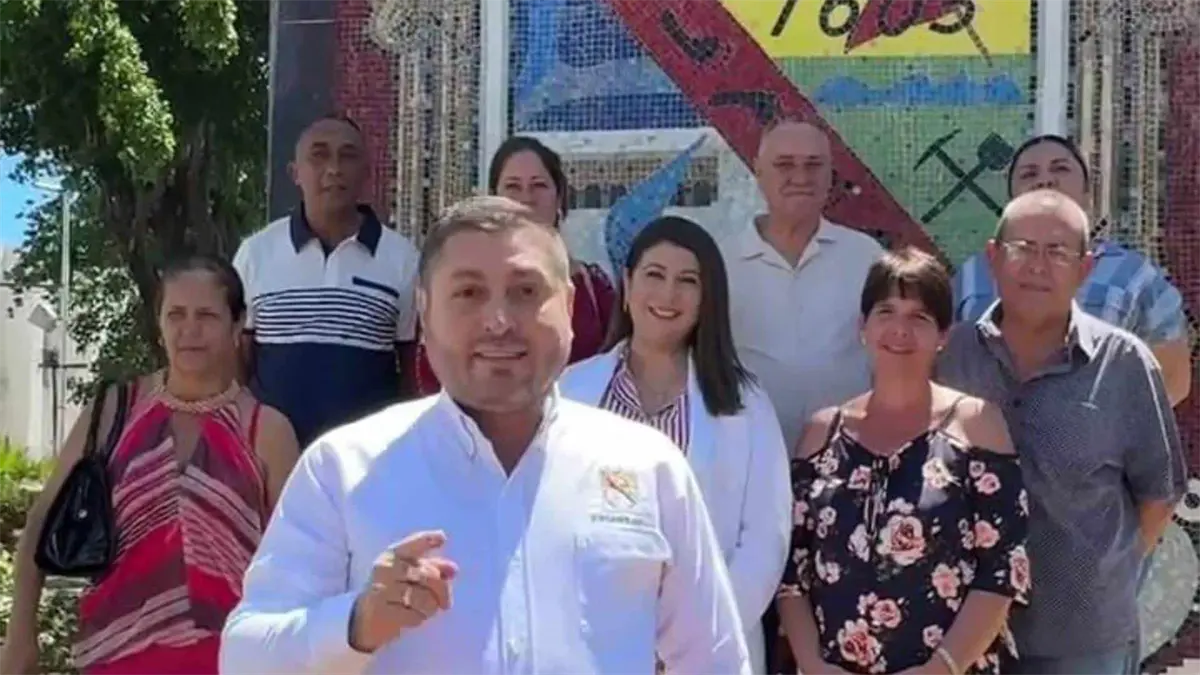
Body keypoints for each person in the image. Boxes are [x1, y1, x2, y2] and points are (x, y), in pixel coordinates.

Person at [219, 196, 751, 675]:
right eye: (469, 293)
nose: (499, 320)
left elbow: (716, 660)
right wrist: (354, 623)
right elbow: (244, 656)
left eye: (526, 292)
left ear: (567, 308)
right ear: (425, 312)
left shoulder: (648, 467)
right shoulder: (344, 467)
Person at [0, 254, 301, 675]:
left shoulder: (266, 430)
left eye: (206, 315)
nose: (189, 329)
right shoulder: (113, 411)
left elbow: (299, 559)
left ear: (237, 325)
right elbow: (41, 520)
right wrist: (20, 634)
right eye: (176, 314)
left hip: (235, 659)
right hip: (116, 654)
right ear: (159, 324)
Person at [938, 191, 1187, 675]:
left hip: (1084, 641)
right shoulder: (952, 355)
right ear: (993, 258)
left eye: (1057, 252)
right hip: (959, 632)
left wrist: (1102, 574)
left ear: (1085, 268)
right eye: (1023, 248)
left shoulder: (1124, 363)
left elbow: (1158, 495)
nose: (1038, 266)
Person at [777, 247, 1029, 675]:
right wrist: (813, 665)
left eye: (919, 317)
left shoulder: (976, 425)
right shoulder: (821, 433)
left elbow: (1003, 570)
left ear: (944, 334)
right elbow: (790, 573)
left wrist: (940, 668)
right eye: (886, 312)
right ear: (862, 327)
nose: (900, 330)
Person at [559, 215, 791, 675]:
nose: (668, 295)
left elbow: (766, 539)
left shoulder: (745, 403)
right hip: (590, 648)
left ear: (707, 299)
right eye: (654, 275)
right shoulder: (570, 391)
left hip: (707, 653)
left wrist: (692, 643)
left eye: (688, 281)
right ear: (627, 285)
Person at [953, 133, 1192, 406]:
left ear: (1088, 193)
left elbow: (1172, 380)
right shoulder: (971, 278)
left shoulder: (1135, 278)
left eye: (1060, 169)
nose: (1045, 180)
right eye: (1029, 174)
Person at [234, 114, 421, 447]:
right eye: (319, 155)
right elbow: (237, 363)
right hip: (272, 458)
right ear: (295, 173)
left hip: (367, 459)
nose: (334, 169)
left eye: (347, 156)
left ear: (366, 172)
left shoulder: (403, 260)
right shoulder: (256, 254)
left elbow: (410, 371)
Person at [721, 118, 884, 452]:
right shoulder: (719, 262)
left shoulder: (866, 257)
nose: (800, 177)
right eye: (784, 164)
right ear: (758, 172)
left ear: (830, 175)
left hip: (847, 458)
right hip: (749, 456)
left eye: (813, 165)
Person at [413, 135, 614, 394]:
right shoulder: (456, 282)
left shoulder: (595, 288)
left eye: (539, 185)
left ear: (559, 198)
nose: (526, 198)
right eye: (513, 186)